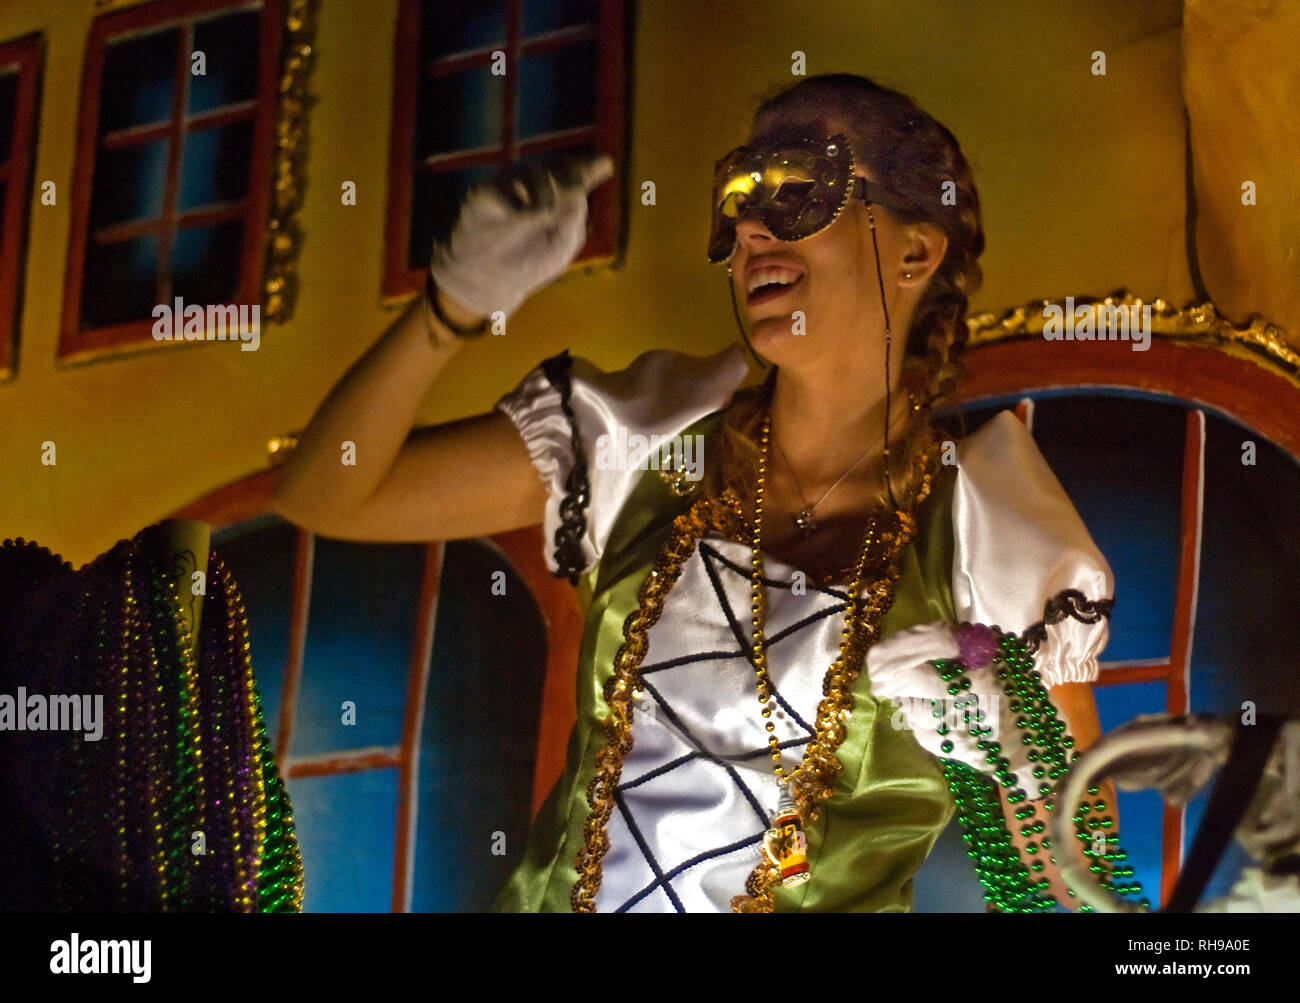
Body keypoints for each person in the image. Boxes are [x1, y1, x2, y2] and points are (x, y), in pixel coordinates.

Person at [272, 73, 1126, 913]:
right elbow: (328, 494)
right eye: (738, 198)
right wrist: (447, 311)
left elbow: (1084, 895)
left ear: (914, 250)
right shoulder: (645, 438)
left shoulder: (986, 528)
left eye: (797, 187)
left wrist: (1017, 744)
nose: (752, 225)